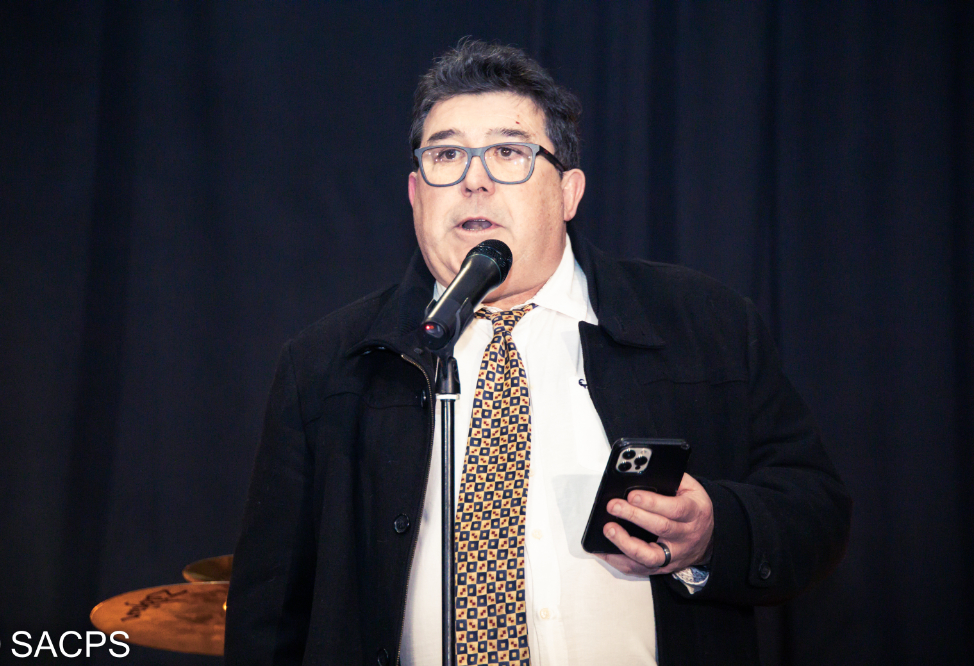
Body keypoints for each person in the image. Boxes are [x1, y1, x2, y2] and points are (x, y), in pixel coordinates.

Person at [225, 40, 851, 666]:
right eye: (446, 155)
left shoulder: (703, 323)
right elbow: (269, 616)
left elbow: (814, 509)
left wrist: (713, 532)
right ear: (416, 194)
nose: (473, 180)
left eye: (508, 153)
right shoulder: (328, 364)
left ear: (569, 192)